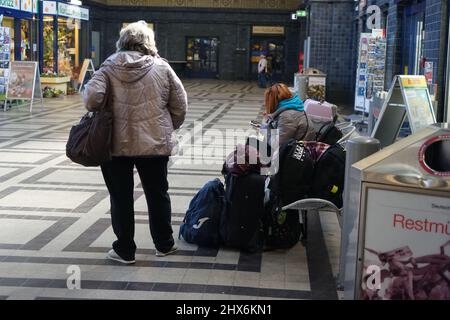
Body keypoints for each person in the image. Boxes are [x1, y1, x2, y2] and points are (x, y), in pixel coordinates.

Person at [83, 21, 188, 264]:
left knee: (121, 196)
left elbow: (92, 99)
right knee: (157, 193)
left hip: (116, 144)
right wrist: (168, 126)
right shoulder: (162, 67)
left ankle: (125, 250)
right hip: (154, 144)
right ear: (148, 43)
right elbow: (180, 104)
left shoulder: (108, 66)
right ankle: (164, 244)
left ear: (122, 42)